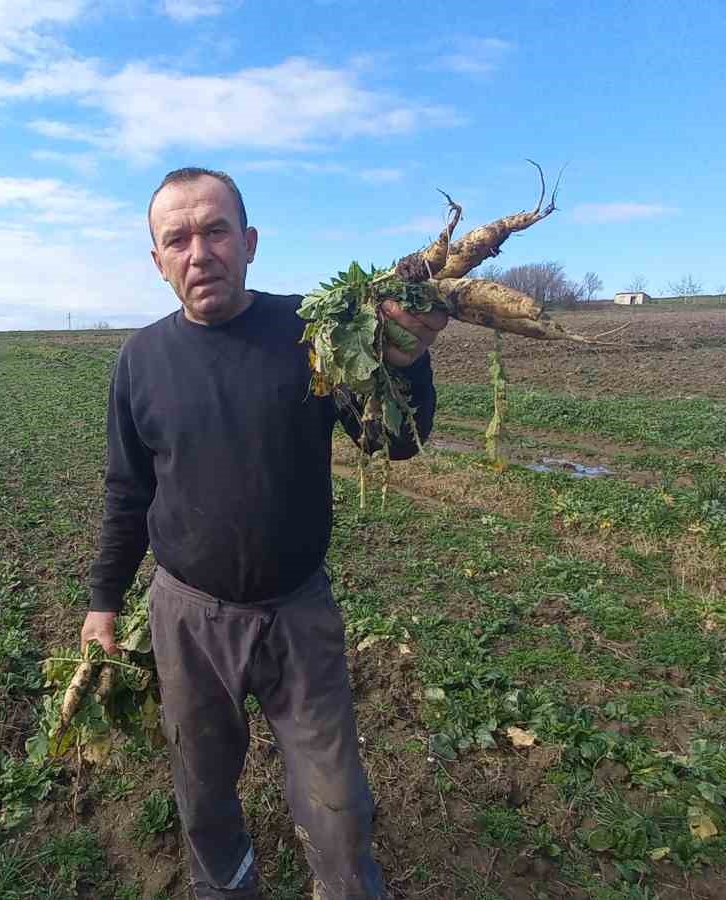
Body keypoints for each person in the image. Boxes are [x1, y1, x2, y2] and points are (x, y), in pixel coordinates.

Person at [83, 167, 445, 900]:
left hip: (297, 613)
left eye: (215, 230)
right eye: (176, 239)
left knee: (338, 803)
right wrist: (103, 602)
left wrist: (408, 362)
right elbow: (128, 493)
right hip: (187, 618)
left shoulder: (309, 335)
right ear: (157, 262)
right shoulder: (141, 362)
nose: (199, 252)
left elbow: (395, 444)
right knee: (204, 793)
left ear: (248, 243)